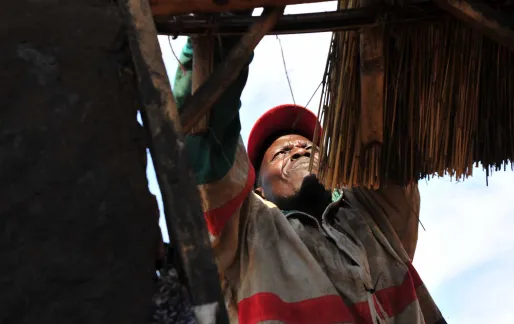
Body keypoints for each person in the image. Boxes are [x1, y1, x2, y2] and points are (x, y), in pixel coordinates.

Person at [153, 17, 446, 324]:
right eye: (282, 151)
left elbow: (386, 125)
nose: (301, 149)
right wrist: (223, 28)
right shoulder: (248, 233)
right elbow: (207, 143)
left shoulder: (372, 213)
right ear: (257, 189)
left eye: (311, 146)